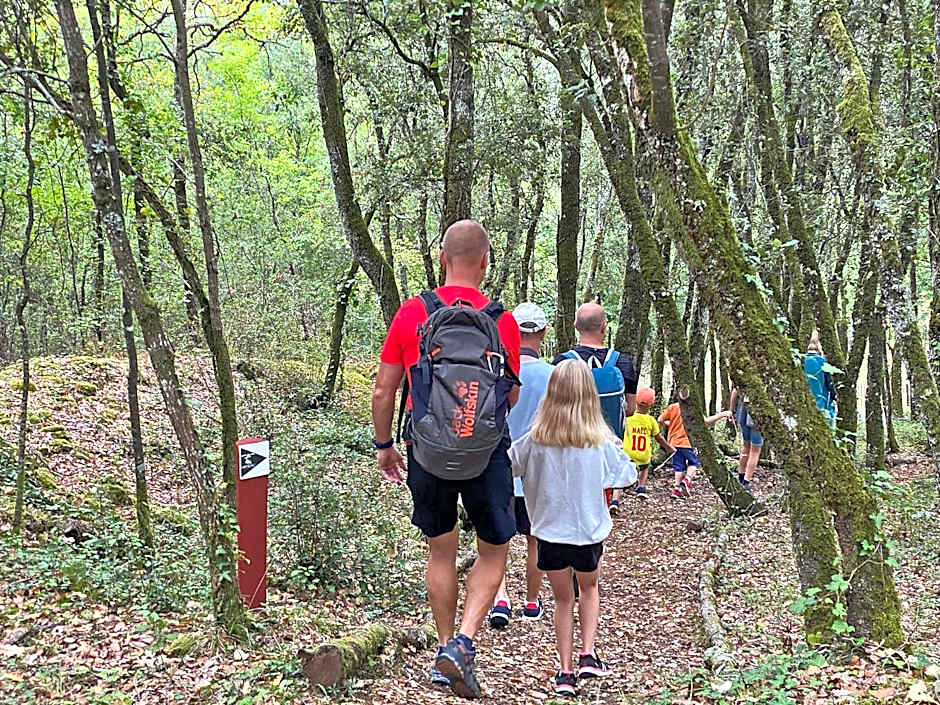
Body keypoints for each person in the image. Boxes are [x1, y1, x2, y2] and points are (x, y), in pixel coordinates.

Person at [371, 220, 521, 699]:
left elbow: (384, 389)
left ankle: (443, 649)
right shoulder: (503, 321)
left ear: (441, 258)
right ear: (485, 261)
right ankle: (464, 641)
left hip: (426, 449)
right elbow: (509, 397)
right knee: (494, 549)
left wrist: (384, 446)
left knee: (441, 550)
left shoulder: (413, 313)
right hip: (486, 451)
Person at [509, 360, 635, 697]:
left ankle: (564, 673)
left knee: (562, 599)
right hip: (589, 533)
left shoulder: (534, 441)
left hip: (549, 533)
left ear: (551, 396)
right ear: (589, 397)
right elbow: (627, 475)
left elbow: (508, 465)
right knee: (589, 590)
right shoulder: (600, 443)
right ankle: (588, 655)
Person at [488, 302, 552, 630]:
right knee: (534, 539)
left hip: (498, 468)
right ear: (542, 332)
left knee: (496, 540)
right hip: (537, 475)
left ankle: (500, 598)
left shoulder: (497, 370)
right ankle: (531, 600)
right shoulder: (554, 376)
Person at [552, 302, 638, 514]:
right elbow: (630, 410)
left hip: (570, 448)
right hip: (607, 451)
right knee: (599, 507)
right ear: (604, 327)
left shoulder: (561, 362)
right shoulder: (622, 363)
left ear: (575, 325)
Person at [658, 386, 730, 500]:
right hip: (687, 443)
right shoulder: (692, 409)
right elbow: (706, 422)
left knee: (678, 467)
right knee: (694, 463)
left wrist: (670, 424)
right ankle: (687, 480)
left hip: (674, 443)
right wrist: (723, 414)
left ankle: (676, 489)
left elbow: (660, 420)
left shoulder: (672, 408)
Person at [625, 387, 675, 499]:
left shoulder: (627, 418)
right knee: (645, 468)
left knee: (621, 473)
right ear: (651, 404)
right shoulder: (651, 420)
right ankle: (641, 488)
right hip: (643, 454)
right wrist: (668, 448)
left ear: (635, 400)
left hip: (627, 453)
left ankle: (615, 500)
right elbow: (659, 438)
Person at [728, 387, 762, 490]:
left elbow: (735, 391)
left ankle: (740, 477)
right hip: (758, 412)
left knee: (746, 446)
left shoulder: (743, 373)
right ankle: (746, 482)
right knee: (755, 450)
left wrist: (731, 410)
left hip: (742, 411)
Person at [803, 330, 837, 427]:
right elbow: (829, 384)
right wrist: (835, 396)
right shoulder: (822, 363)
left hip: (805, 402)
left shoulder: (801, 360)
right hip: (821, 402)